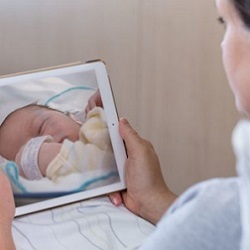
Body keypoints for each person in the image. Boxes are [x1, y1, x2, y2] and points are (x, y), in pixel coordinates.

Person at [0, 0, 248, 249]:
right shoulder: (225, 208)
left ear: (72, 115)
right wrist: (153, 198)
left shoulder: (223, 205)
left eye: (224, 22)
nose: (223, 43)